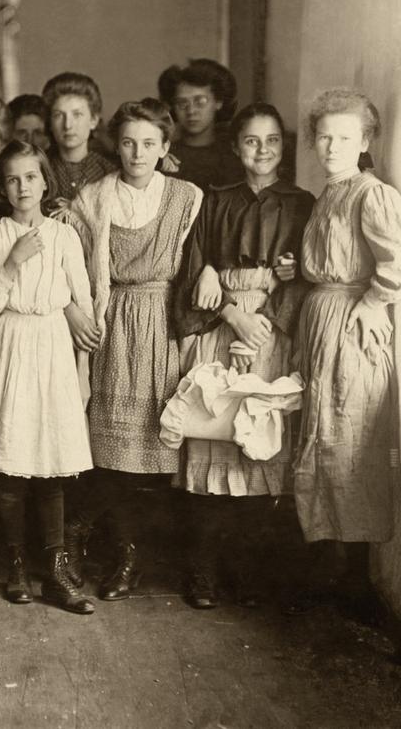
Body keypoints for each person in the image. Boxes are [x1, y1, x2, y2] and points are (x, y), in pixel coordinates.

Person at [60, 98, 202, 600]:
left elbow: (200, 261)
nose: (137, 153)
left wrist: (206, 274)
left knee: (156, 452)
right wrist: (76, 312)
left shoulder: (187, 197)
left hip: (164, 326)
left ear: (166, 147)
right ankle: (106, 549)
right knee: (108, 454)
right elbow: (65, 262)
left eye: (148, 143)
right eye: (127, 142)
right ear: (115, 146)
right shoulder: (93, 197)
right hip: (108, 325)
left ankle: (132, 556)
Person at [172, 103, 314, 609]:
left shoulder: (302, 203)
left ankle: (250, 574)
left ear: (284, 147)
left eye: (272, 140)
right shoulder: (216, 200)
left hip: (272, 333)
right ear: (235, 147)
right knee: (216, 436)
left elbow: (311, 278)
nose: (262, 150)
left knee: (262, 443)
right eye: (251, 141)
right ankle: (203, 572)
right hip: (223, 325)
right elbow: (192, 267)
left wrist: (270, 321)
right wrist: (232, 312)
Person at [0, 140, 97, 614]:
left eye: (31, 177)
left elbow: (82, 304)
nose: (23, 186)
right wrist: (13, 261)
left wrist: (81, 369)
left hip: (53, 349)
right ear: (1, 186)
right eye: (13, 179)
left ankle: (58, 571)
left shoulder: (64, 236)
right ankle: (17, 564)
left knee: (54, 467)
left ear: (46, 181)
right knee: (12, 464)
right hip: (10, 345)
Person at [290, 89, 401, 617]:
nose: (332, 146)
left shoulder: (370, 193)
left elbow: (395, 260)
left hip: (353, 329)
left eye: (345, 137)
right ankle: (331, 564)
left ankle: (354, 577)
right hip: (320, 320)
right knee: (321, 436)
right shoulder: (329, 193)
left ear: (365, 142)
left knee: (350, 438)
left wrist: (375, 303)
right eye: (324, 136)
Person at [158, 58, 243, 190]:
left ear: (218, 102)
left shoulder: (236, 156)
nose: (191, 111)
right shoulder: (162, 155)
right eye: (182, 103)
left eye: (200, 102)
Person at [41, 72, 116, 202]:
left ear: (93, 120)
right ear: (50, 123)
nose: (68, 125)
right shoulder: (39, 171)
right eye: (59, 115)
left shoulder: (110, 173)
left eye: (77, 115)